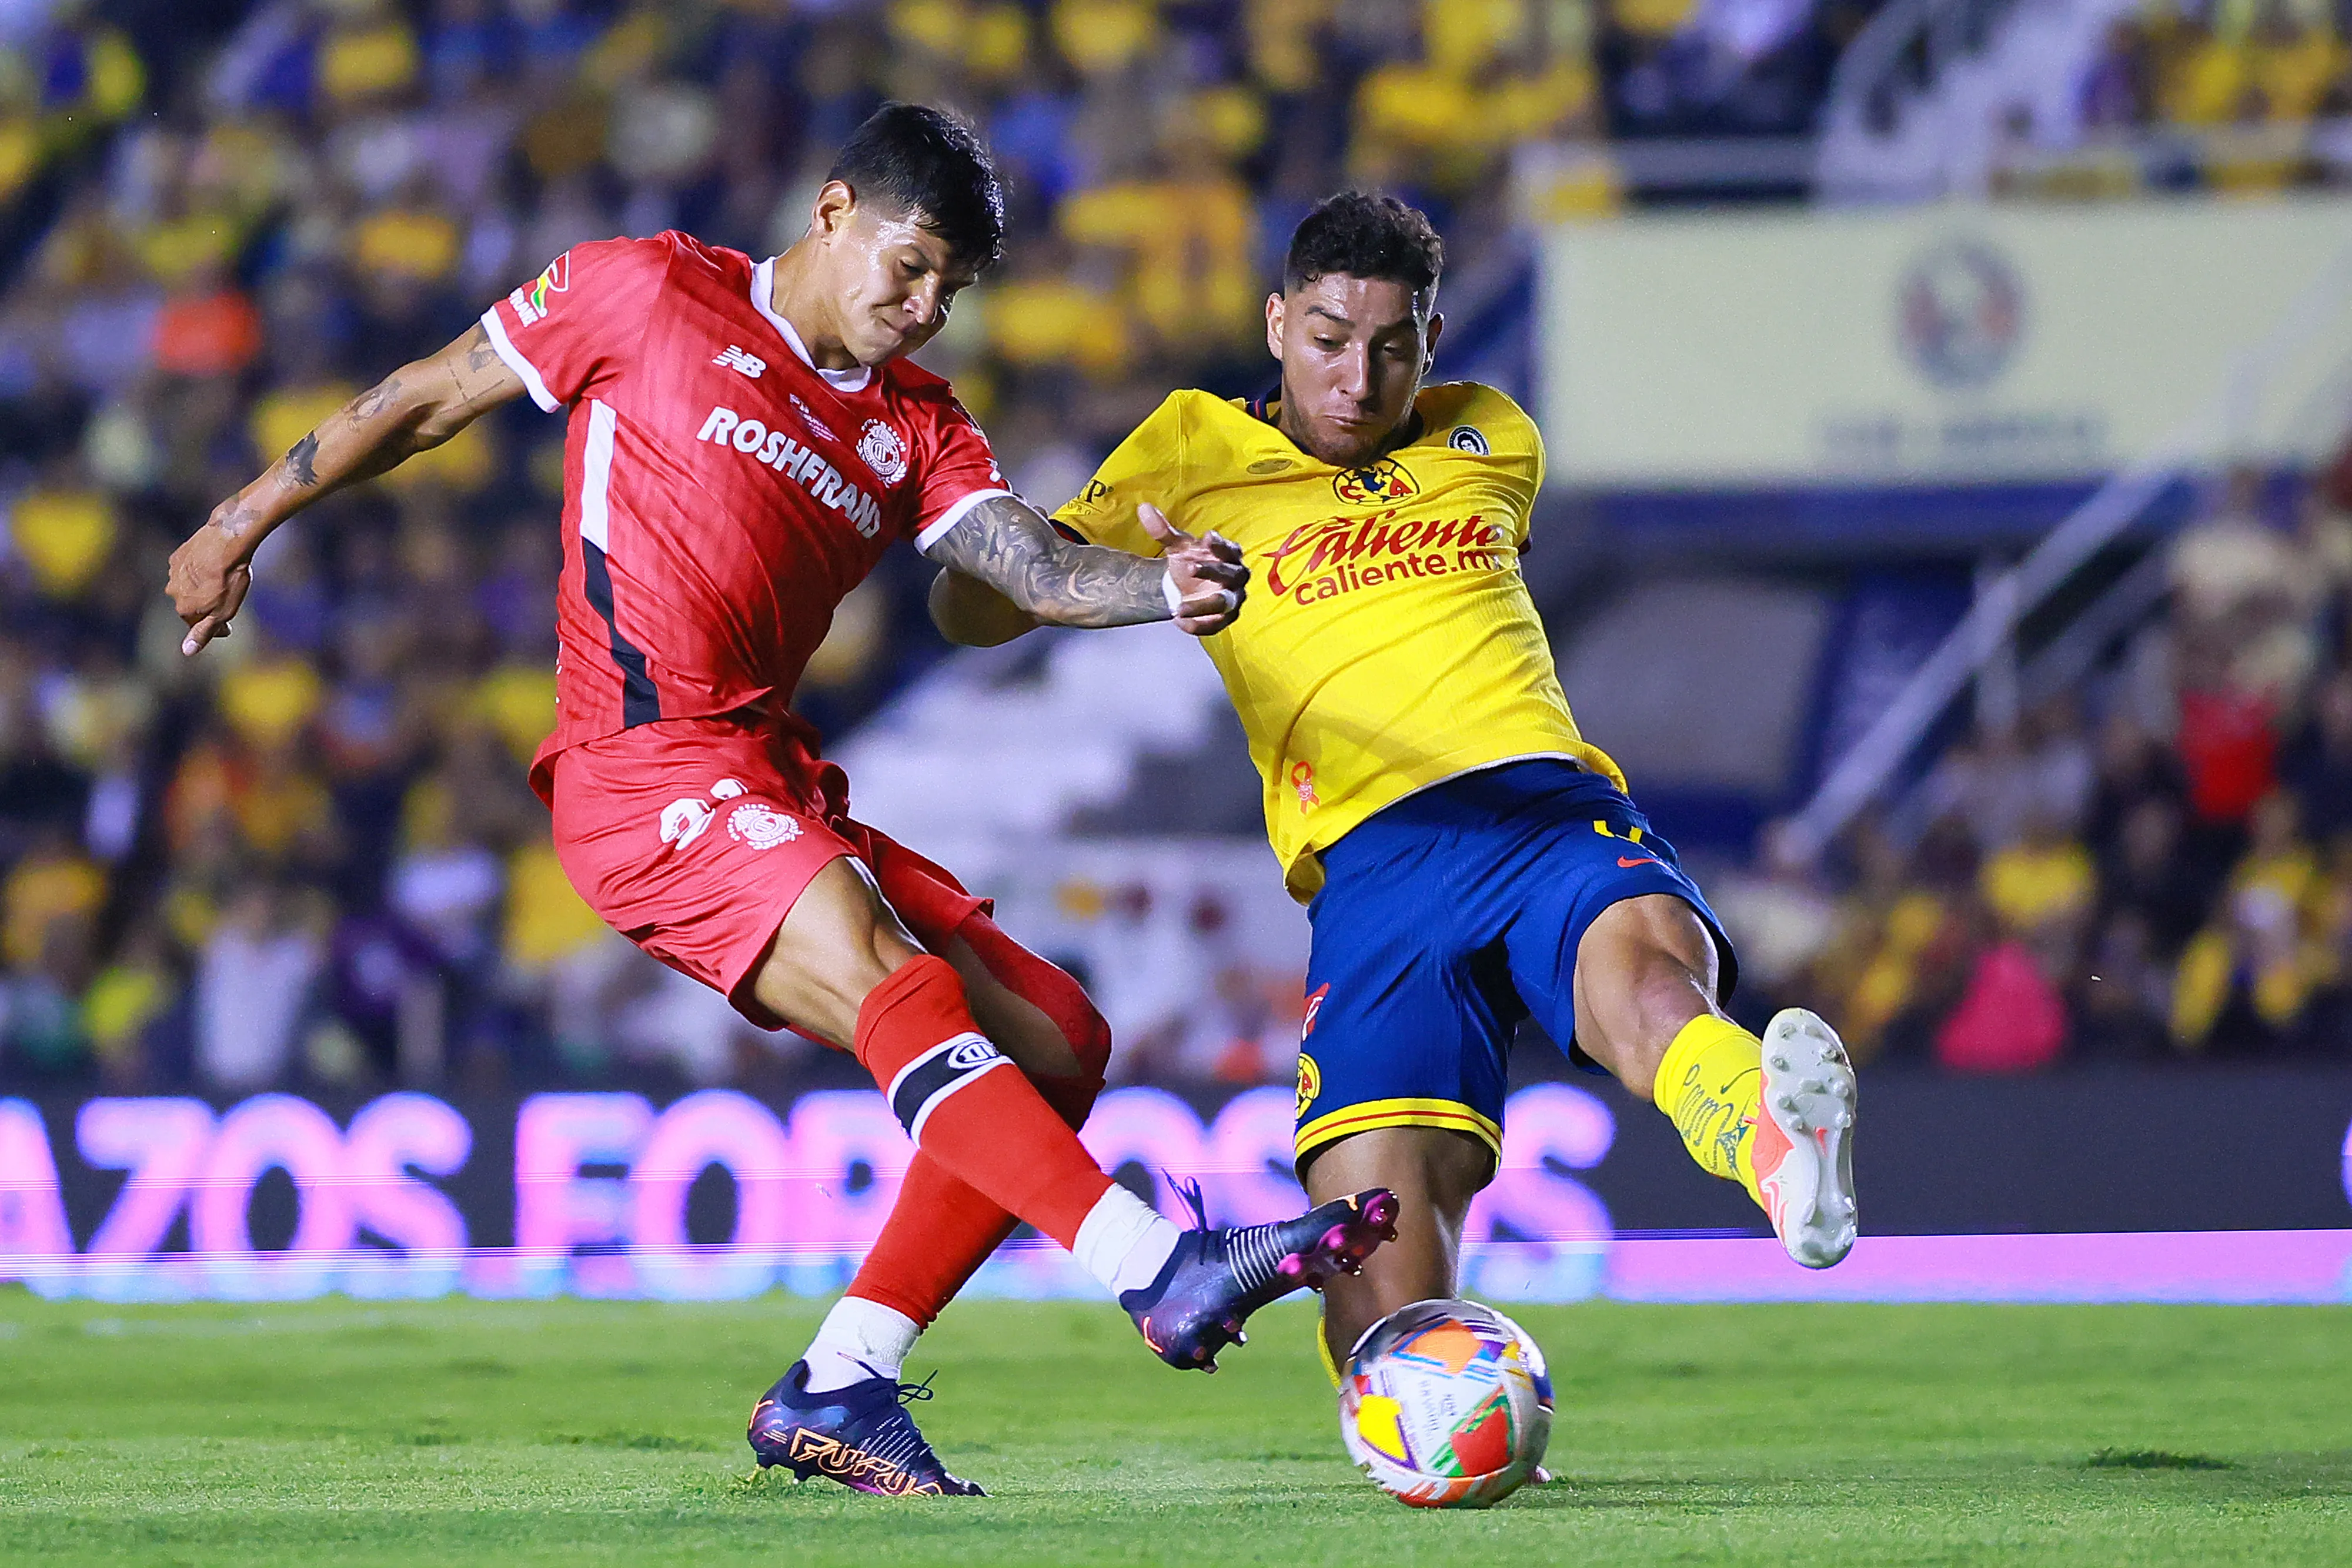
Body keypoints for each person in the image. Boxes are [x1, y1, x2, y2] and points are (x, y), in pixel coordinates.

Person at [165, 104, 1398, 1497]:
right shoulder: (643, 289)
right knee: (892, 980)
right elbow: (425, 399)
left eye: (950, 290)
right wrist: (236, 523)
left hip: (767, 773)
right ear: (830, 211)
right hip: (638, 767)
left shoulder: (917, 425)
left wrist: (1157, 586)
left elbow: (1031, 567)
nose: (923, 307)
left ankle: (842, 1380)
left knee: (1058, 1039)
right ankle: (1153, 1266)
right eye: (910, 265)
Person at [931, 190, 1860, 1379]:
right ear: (1277, 325)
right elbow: (976, 612)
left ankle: (1774, 1142)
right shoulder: (1188, 451)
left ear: (1432, 341)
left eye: (1391, 346)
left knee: (1642, 980)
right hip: (1371, 867)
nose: (1357, 380)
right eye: (1328, 341)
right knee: (1376, 1292)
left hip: (1539, 806)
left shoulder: (1491, 436)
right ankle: (1429, 1430)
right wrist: (1112, 570)